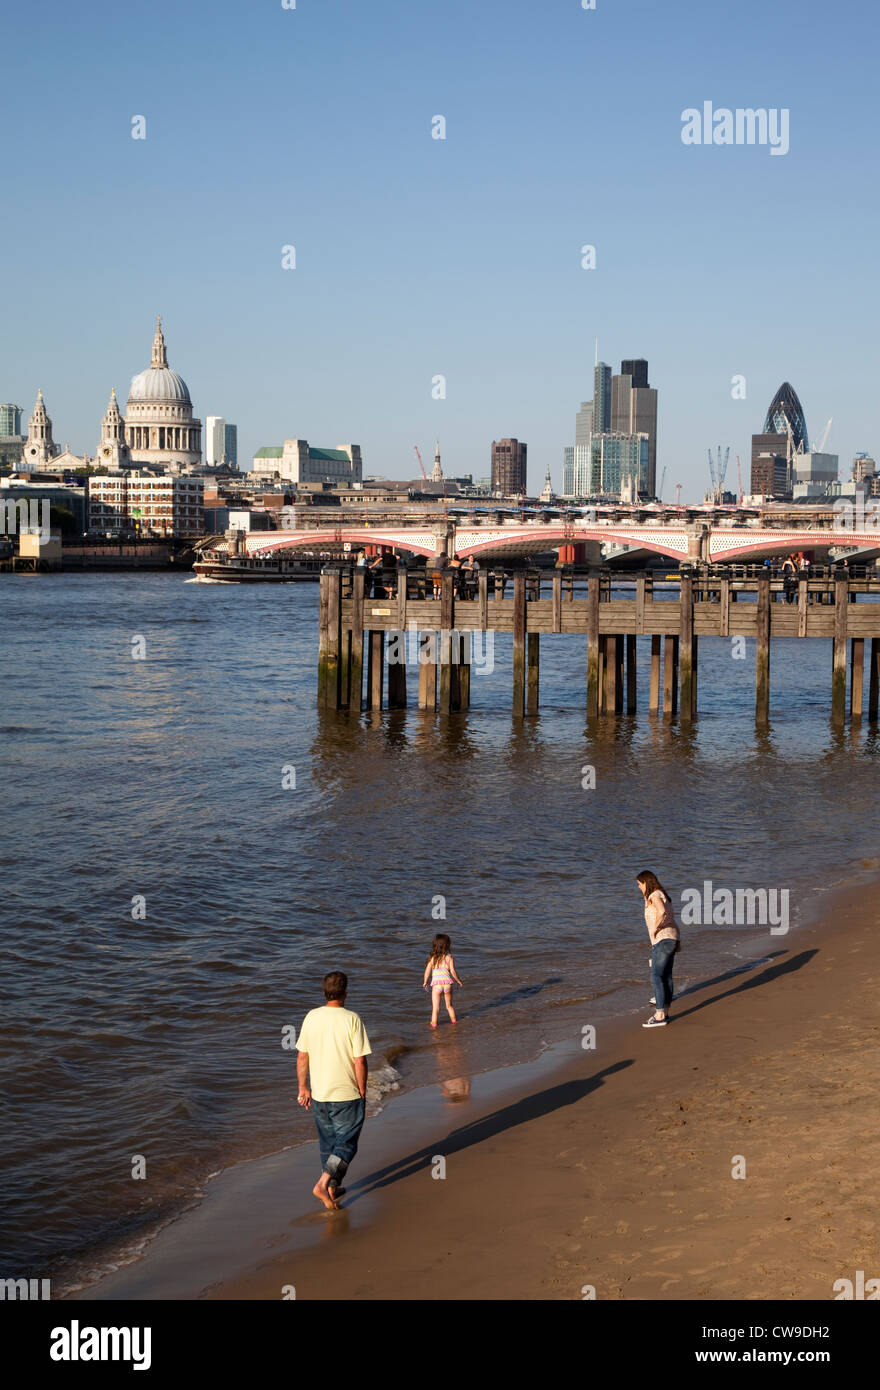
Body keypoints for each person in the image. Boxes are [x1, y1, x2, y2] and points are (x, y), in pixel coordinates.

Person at [296, 971, 371, 1210]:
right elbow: (359, 1061)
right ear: (346, 993)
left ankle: (331, 1188)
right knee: (347, 1144)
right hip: (346, 1093)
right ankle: (324, 1183)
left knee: (328, 1144)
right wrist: (362, 1089)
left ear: (324, 992)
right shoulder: (352, 1019)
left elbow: (301, 1056)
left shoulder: (311, 1016)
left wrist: (303, 1088)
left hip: (320, 1094)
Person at [637, 870, 680, 1028]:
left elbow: (661, 912)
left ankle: (660, 1014)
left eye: (639, 884)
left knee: (656, 976)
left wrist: (655, 929)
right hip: (671, 938)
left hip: (662, 940)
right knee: (666, 975)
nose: (639, 888)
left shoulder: (654, 895)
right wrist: (678, 940)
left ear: (646, 883)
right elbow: (671, 917)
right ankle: (665, 1012)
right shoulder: (663, 895)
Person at [422, 932, 463, 1027]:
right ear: (447, 946)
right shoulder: (449, 957)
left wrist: (425, 982)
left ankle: (434, 1026)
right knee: (449, 1006)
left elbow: (427, 972)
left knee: (435, 1009)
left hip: (437, 985)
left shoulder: (432, 959)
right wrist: (458, 980)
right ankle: (454, 1023)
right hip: (447, 984)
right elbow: (453, 971)